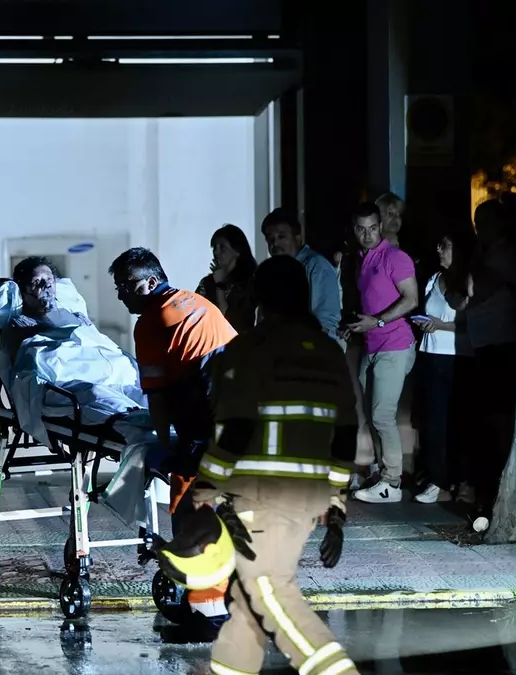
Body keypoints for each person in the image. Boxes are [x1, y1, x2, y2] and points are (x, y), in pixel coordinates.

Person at [189, 254, 358, 675]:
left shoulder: (249, 350)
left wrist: (205, 487)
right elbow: (345, 435)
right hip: (307, 497)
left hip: (261, 496)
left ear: (261, 298)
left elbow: (235, 428)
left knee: (267, 591)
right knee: (246, 602)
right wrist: (336, 511)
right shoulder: (328, 352)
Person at [109, 246, 236, 635]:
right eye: (118, 287)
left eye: (126, 286)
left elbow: (158, 395)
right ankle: (211, 606)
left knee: (194, 516)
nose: (121, 295)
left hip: (212, 425)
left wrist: (165, 445)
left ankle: (209, 617)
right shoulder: (196, 303)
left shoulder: (151, 321)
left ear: (151, 282)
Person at [343, 202, 419, 504]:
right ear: (354, 230)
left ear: (380, 227)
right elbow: (371, 300)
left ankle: (392, 482)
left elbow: (411, 299)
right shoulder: (361, 258)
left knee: (382, 415)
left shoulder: (395, 257)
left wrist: (378, 321)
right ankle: (381, 472)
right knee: (372, 414)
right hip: (372, 345)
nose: (367, 234)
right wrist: (355, 325)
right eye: (361, 229)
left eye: (373, 228)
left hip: (395, 344)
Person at [463, 198, 516, 527]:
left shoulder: (500, 255)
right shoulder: (488, 254)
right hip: (486, 345)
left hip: (499, 345)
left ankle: (499, 489)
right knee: (487, 418)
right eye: (477, 224)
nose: (479, 230)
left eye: (484, 224)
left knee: (497, 418)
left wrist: (471, 266)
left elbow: (474, 291)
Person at [410, 230, 475, 504]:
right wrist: (425, 324)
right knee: (432, 422)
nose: (439, 250)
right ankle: (438, 480)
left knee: (456, 423)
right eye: (438, 245)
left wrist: (440, 325)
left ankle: (458, 481)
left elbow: (470, 322)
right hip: (430, 354)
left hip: (457, 356)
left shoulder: (467, 281)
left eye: (445, 246)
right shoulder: (433, 279)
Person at [261, 207, 342, 341]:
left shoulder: (317, 266)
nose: (275, 243)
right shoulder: (272, 271)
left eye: (281, 236)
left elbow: (325, 321)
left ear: (298, 238)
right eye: (270, 239)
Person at [197, 224, 258, 333]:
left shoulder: (250, 283)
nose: (216, 252)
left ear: (237, 251)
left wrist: (219, 286)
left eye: (222, 248)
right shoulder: (207, 283)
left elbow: (232, 323)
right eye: (214, 248)